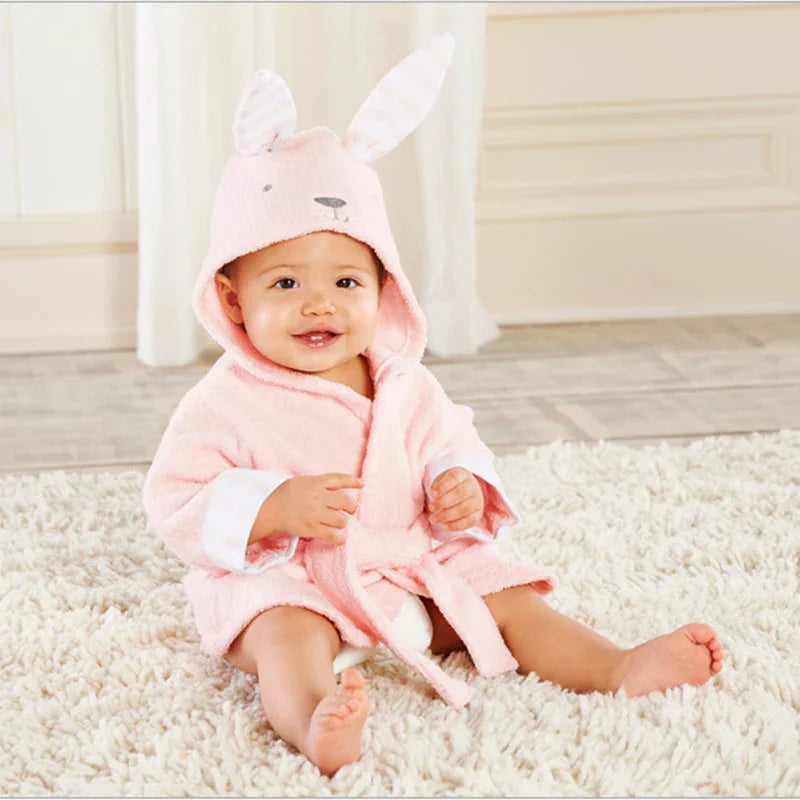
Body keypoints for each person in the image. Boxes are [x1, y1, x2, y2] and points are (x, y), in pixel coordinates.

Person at [142, 34, 723, 777]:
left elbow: (453, 442)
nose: (319, 301)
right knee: (279, 633)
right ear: (232, 296)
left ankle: (615, 667)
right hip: (297, 577)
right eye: (285, 284)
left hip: (408, 563)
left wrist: (459, 486)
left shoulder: (404, 383)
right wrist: (272, 508)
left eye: (346, 282)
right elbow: (175, 497)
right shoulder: (224, 400)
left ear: (384, 288)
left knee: (509, 598)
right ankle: (314, 721)